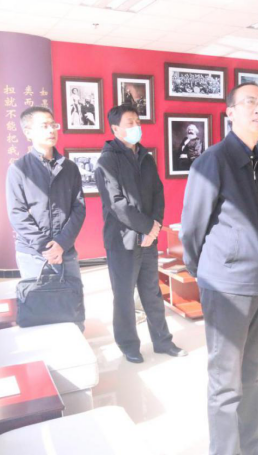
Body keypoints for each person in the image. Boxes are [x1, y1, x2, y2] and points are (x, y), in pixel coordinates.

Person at [180, 83, 258, 456]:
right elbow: (192, 227)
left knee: (252, 372)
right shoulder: (214, 160)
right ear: (230, 112)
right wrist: (205, 271)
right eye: (250, 102)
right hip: (227, 285)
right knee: (225, 380)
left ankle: (249, 444)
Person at [95, 105, 185, 364]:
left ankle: (162, 341)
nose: (136, 126)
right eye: (130, 122)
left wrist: (154, 226)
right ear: (115, 129)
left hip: (148, 237)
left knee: (152, 293)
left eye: (137, 121)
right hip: (121, 240)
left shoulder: (146, 157)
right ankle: (129, 345)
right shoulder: (107, 161)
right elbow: (116, 203)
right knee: (124, 296)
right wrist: (147, 228)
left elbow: (158, 193)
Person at [6, 106, 86, 329]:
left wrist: (61, 244)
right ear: (28, 132)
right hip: (33, 253)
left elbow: (79, 208)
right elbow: (17, 213)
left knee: (72, 307)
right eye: (44, 126)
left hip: (66, 250)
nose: (51, 130)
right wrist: (46, 247)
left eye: (53, 125)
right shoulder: (18, 169)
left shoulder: (70, 168)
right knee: (39, 310)